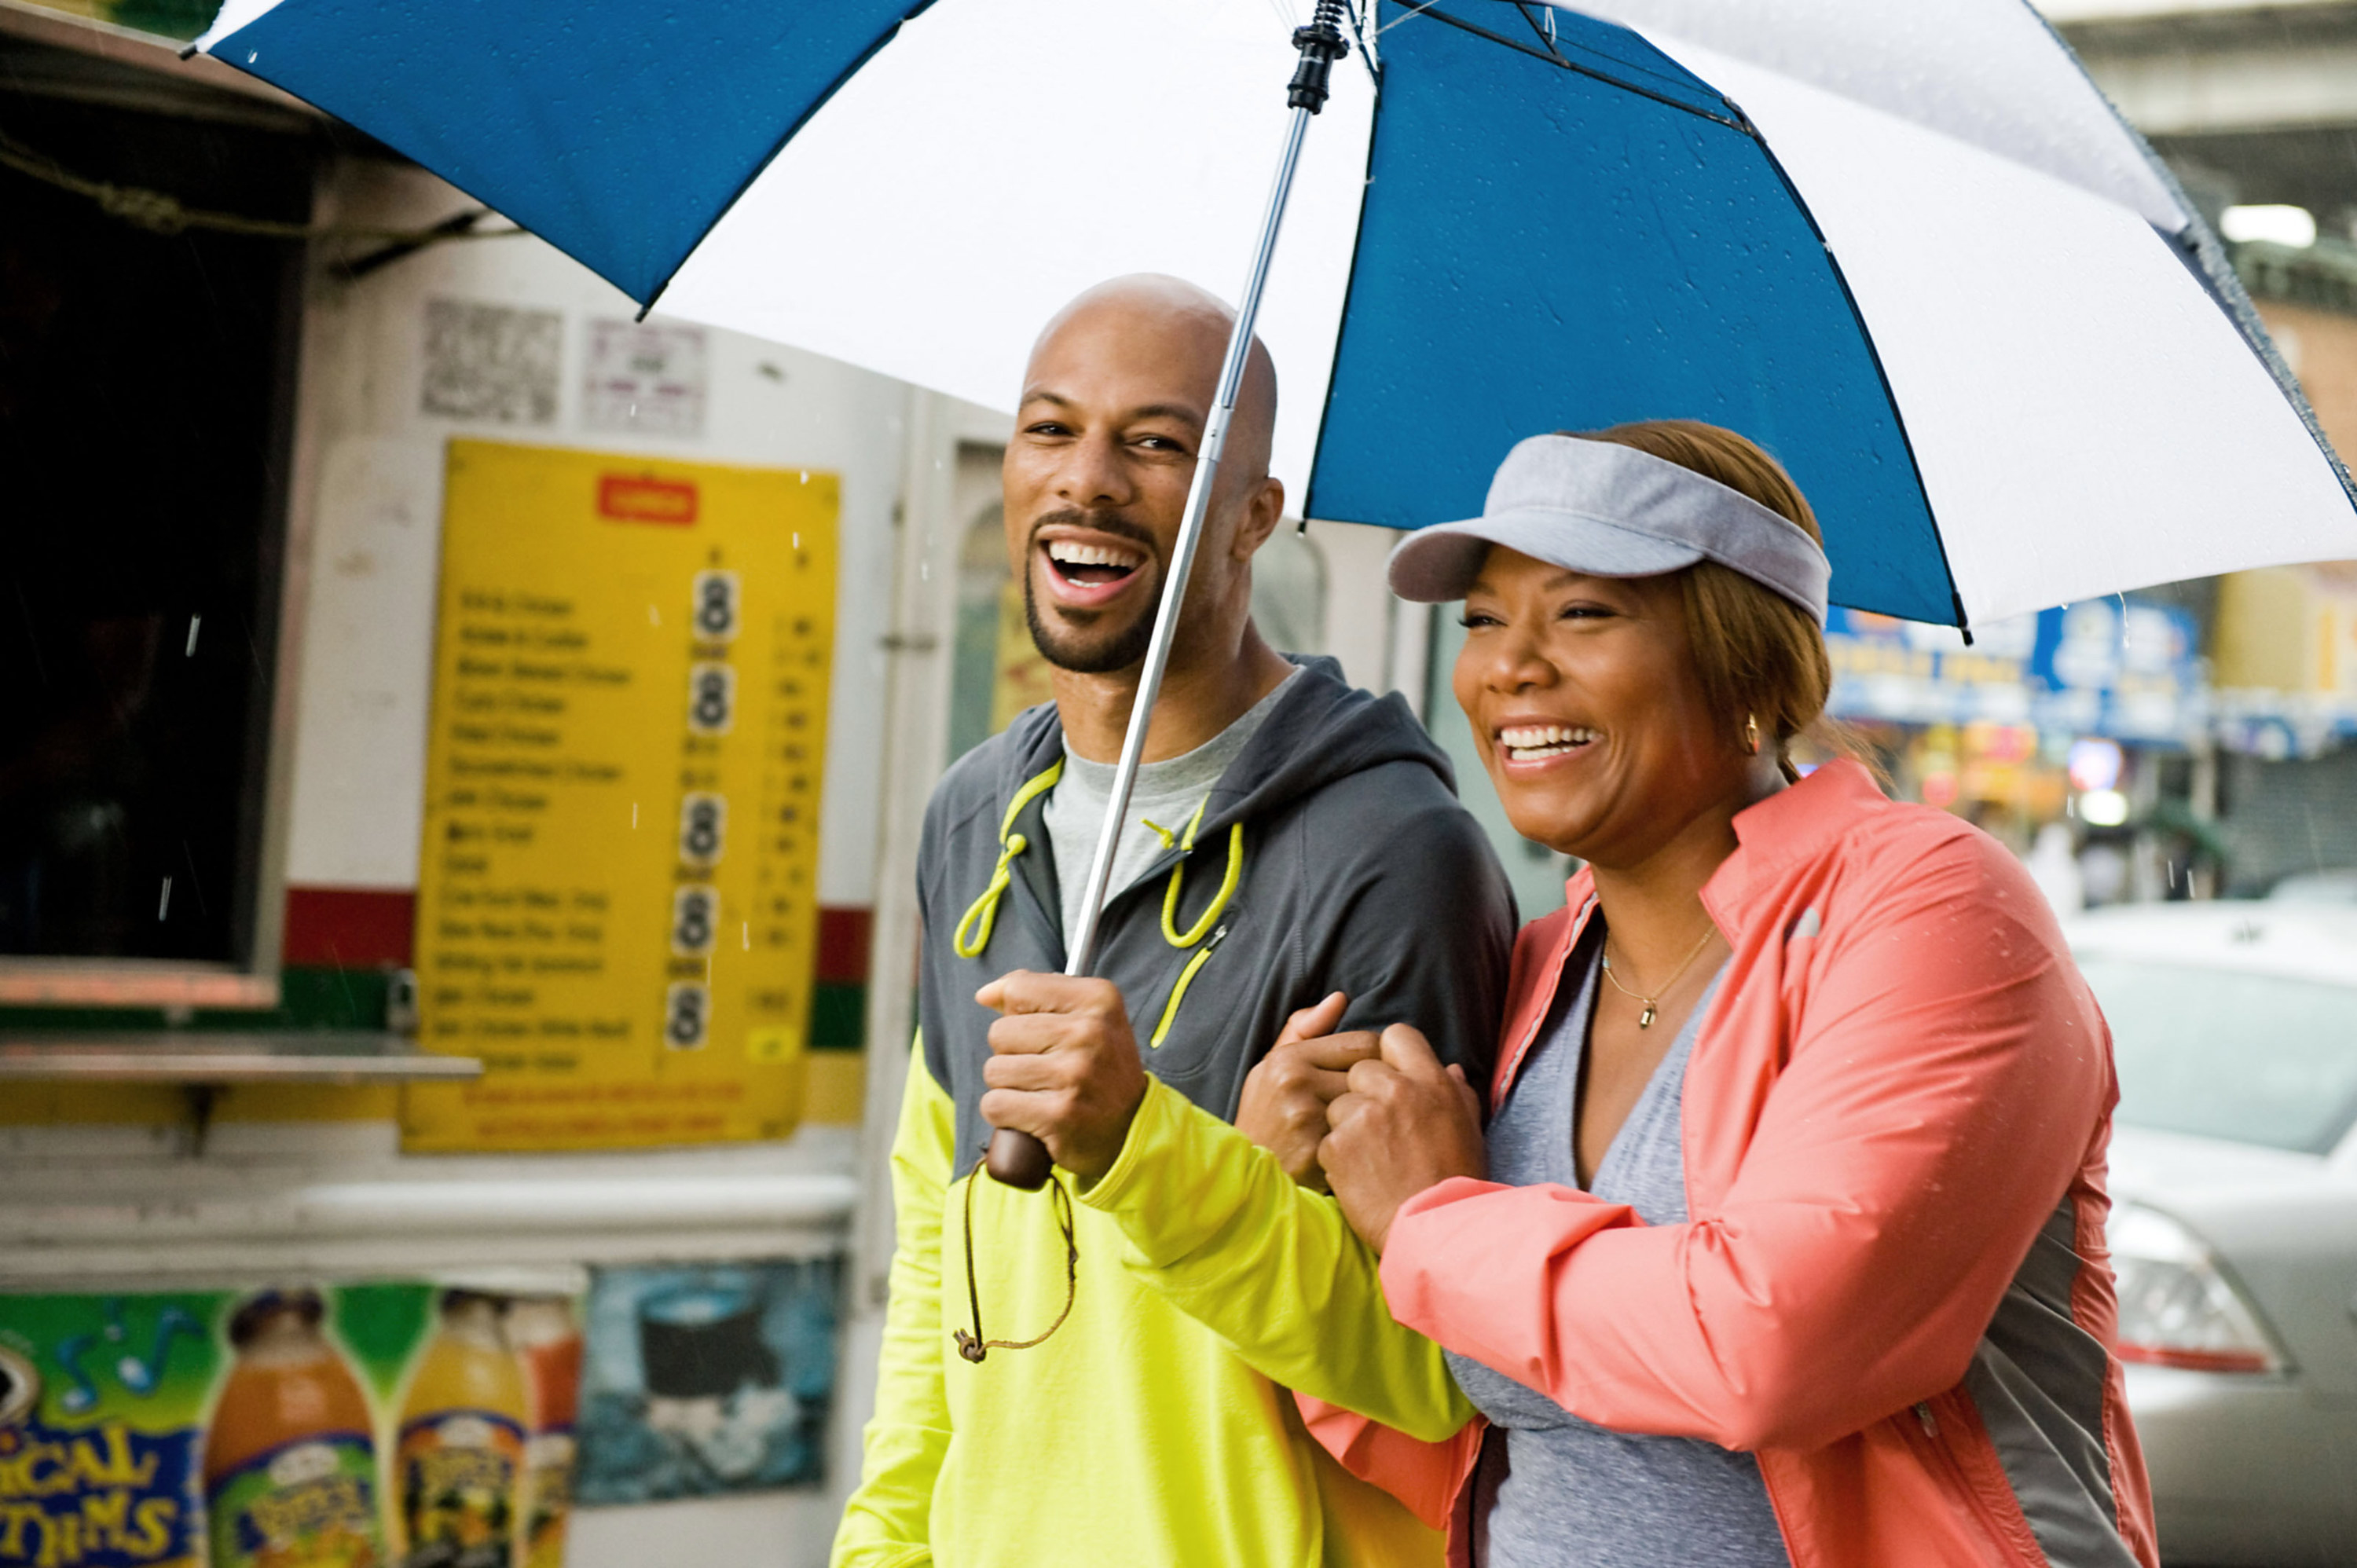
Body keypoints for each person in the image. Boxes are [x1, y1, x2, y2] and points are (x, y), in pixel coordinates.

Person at [1119, 422, 2159, 1566]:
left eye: (1582, 613)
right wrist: (1284, 1197)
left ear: (1746, 662)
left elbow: (1769, 1350)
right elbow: (1443, 1404)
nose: (1509, 665)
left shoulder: (1932, 911)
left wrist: (1429, 1216)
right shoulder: (1540, 967)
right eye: (1482, 621)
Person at [830, 275, 1516, 1568]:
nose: (1086, 480)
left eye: (1156, 443)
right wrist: (885, 1545)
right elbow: (940, 1251)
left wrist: (1144, 1143)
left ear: (1257, 514)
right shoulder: (976, 816)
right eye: (1049, 428)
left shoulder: (1389, 853)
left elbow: (1437, 1372)